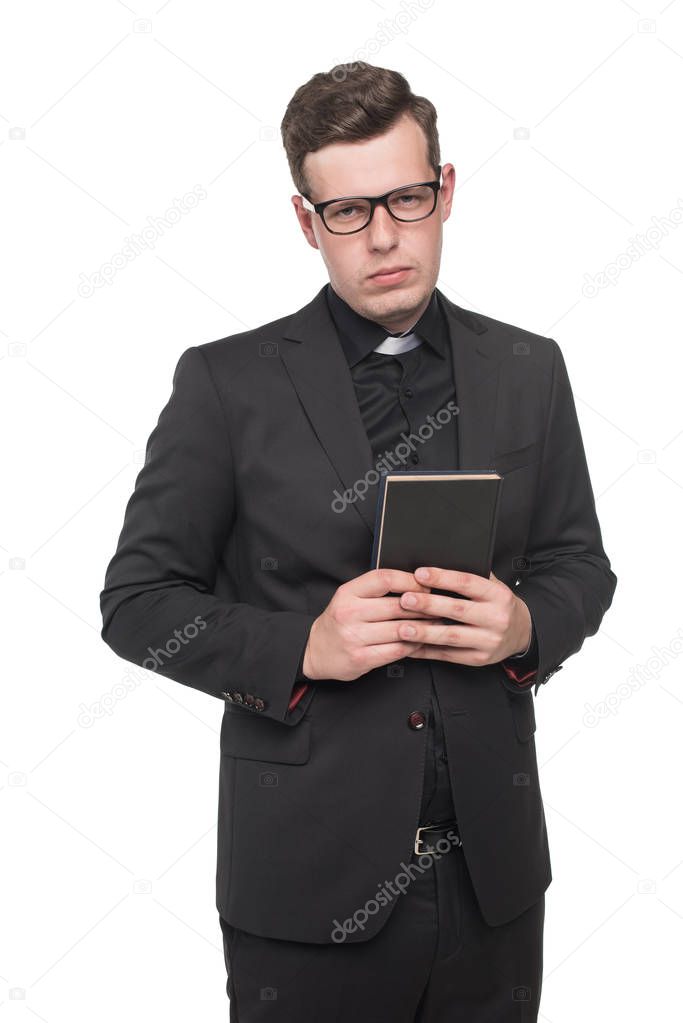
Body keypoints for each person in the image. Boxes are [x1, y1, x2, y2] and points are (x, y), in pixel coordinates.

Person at [100, 61, 617, 1022]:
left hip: (494, 885)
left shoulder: (528, 367)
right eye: (347, 211)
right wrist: (304, 646)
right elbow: (136, 602)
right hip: (304, 888)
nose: (383, 234)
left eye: (406, 198)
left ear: (445, 191)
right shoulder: (224, 384)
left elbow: (578, 562)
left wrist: (524, 628)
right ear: (307, 221)